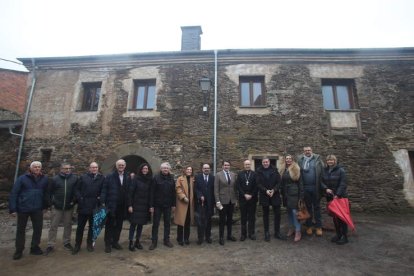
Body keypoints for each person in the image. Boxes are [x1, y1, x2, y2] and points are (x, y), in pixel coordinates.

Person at [9, 161, 49, 260]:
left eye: (39, 167)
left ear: (41, 168)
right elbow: (14, 193)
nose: (37, 168)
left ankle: (34, 247)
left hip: (37, 208)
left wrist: (45, 206)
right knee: (21, 230)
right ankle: (19, 250)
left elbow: (46, 194)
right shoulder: (22, 178)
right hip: (23, 208)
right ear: (30, 168)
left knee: (38, 229)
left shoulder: (44, 179)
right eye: (35, 167)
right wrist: (13, 208)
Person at [72, 162, 105, 254]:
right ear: (89, 168)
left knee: (92, 227)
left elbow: (104, 190)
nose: (94, 169)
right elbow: (76, 189)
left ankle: (89, 244)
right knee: (80, 227)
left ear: (98, 168)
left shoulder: (102, 178)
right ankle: (77, 245)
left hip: (94, 206)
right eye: (92, 167)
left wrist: (100, 198)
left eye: (96, 167)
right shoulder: (83, 177)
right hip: (83, 205)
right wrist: (80, 198)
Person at [45, 162, 78, 255]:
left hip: (69, 206)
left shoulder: (74, 178)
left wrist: (74, 201)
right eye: (65, 168)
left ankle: (66, 242)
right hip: (57, 206)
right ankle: (50, 244)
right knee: (53, 226)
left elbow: (76, 191)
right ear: (61, 169)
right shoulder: (55, 179)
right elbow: (49, 192)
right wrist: (51, 203)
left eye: (69, 168)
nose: (67, 170)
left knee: (68, 225)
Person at [101, 159, 129, 253]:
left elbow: (129, 190)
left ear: (125, 166)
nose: (121, 166)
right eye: (119, 165)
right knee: (109, 225)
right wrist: (103, 201)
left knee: (119, 225)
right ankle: (108, 244)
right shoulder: (110, 176)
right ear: (116, 166)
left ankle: (115, 242)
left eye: (122, 165)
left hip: (122, 205)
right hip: (111, 204)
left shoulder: (127, 176)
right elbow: (104, 189)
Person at [321, 154, 349, 245]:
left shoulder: (341, 170)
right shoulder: (325, 170)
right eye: (328, 160)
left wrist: (337, 194)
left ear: (335, 161)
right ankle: (338, 234)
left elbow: (343, 183)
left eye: (331, 160)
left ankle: (344, 236)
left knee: (342, 217)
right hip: (330, 197)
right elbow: (321, 181)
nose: (330, 162)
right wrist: (325, 188)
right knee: (335, 217)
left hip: (340, 197)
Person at [298, 146, 324, 236]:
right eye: (305, 150)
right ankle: (309, 226)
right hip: (305, 188)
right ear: (303, 152)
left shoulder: (317, 159)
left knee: (317, 208)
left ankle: (318, 227)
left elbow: (322, 172)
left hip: (315, 188)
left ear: (312, 151)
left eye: (309, 150)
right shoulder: (300, 160)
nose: (307, 152)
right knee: (308, 208)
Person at [149, 162, 176, 250]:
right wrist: (151, 205)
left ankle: (166, 240)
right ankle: (154, 241)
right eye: (164, 168)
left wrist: (173, 204)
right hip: (157, 205)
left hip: (168, 205)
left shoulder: (171, 178)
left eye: (167, 168)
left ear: (169, 170)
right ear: (161, 169)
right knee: (156, 224)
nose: (165, 170)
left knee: (167, 223)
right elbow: (152, 192)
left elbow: (173, 192)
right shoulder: (156, 178)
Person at [256, 157, 284, 241]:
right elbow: (258, 183)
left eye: (267, 162)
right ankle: (267, 233)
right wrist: (266, 191)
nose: (265, 163)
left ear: (269, 162)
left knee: (277, 214)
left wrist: (274, 190)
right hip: (264, 195)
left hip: (275, 195)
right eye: (264, 162)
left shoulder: (275, 170)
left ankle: (277, 232)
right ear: (262, 163)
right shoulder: (258, 171)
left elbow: (279, 182)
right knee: (265, 215)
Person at [126, 163, 152, 251]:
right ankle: (130, 242)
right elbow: (130, 193)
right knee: (133, 225)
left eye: (146, 169)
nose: (145, 170)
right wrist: (130, 205)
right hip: (136, 205)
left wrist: (150, 206)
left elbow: (150, 194)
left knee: (140, 225)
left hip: (144, 206)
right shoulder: (136, 179)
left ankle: (137, 241)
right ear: (141, 169)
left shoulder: (149, 180)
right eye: (144, 168)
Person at [279, 154, 304, 242]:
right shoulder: (283, 169)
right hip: (286, 194)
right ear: (285, 160)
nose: (288, 160)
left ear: (292, 160)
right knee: (289, 211)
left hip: (294, 193)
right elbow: (281, 182)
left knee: (295, 212)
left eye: (290, 158)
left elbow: (300, 183)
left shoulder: (296, 168)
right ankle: (291, 228)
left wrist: (301, 196)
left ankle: (298, 231)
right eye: (287, 158)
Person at [214, 160, 237, 245]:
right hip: (222, 201)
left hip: (231, 201)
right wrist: (217, 201)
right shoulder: (218, 175)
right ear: (222, 166)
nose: (226, 166)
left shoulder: (233, 175)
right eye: (225, 165)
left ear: (230, 166)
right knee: (222, 220)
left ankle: (229, 235)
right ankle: (221, 237)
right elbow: (216, 189)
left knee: (230, 219)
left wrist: (236, 200)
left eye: (228, 165)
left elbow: (235, 188)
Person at [236, 159, 258, 241]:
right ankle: (243, 234)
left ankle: (251, 233)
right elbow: (238, 186)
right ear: (244, 165)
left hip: (252, 199)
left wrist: (251, 195)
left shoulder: (254, 174)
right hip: (243, 199)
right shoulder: (240, 174)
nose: (247, 166)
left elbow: (256, 186)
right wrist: (244, 194)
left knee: (252, 217)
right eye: (246, 164)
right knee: (243, 217)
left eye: (249, 164)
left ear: (250, 165)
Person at [174, 166, 195, 246]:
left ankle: (186, 238)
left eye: (190, 170)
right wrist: (183, 197)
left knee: (187, 221)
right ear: (185, 170)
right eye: (188, 169)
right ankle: (179, 238)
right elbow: (178, 189)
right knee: (181, 222)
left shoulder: (193, 179)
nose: (189, 171)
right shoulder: (180, 178)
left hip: (190, 204)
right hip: (182, 203)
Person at [194, 163, 215, 244]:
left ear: (210, 169)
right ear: (202, 169)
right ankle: (200, 238)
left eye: (208, 168)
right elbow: (196, 189)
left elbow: (214, 190)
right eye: (205, 168)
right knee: (200, 222)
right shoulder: (197, 177)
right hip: (200, 203)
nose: (206, 169)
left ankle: (208, 237)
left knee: (209, 221)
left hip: (209, 203)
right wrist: (200, 196)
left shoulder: (213, 178)